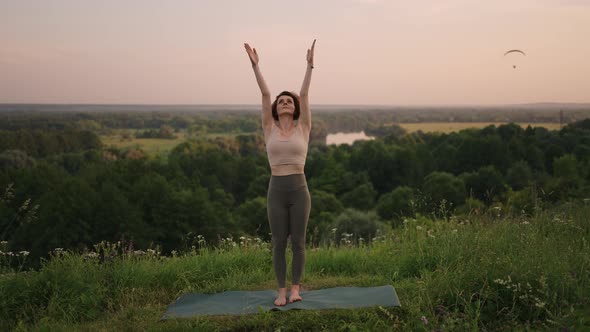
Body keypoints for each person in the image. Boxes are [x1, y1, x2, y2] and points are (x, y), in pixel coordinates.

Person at [244, 39, 315, 306]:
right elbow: (264, 95)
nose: (285, 103)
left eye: (289, 101)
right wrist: (255, 67)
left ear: (295, 108)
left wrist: (309, 67)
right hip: (276, 189)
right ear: (276, 108)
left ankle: (296, 289)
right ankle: (282, 291)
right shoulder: (269, 128)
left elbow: (305, 95)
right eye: (281, 101)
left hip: (299, 189)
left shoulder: (303, 128)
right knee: (277, 243)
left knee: (298, 241)